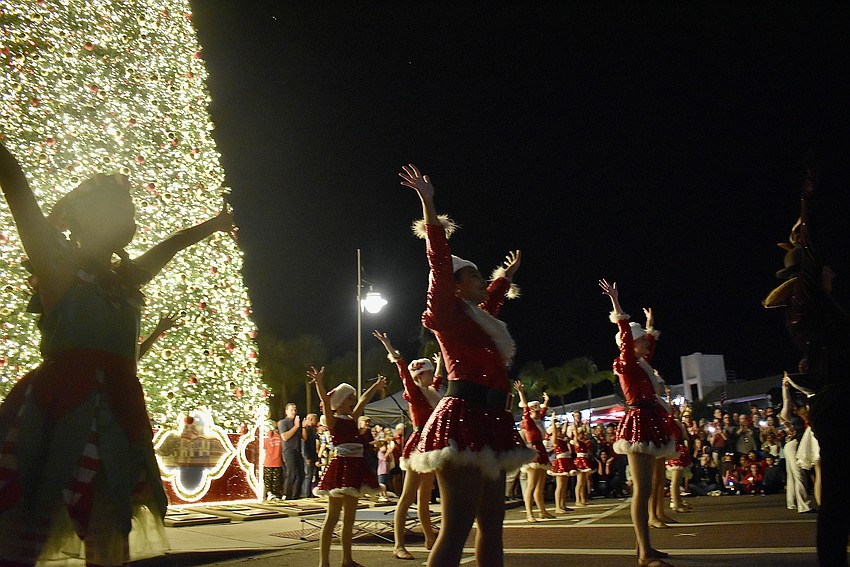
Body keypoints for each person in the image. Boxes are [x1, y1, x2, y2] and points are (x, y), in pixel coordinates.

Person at [0, 139, 234, 565]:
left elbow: (174, 244)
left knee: (110, 528)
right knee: (26, 516)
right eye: (120, 208)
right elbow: (14, 183)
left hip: (119, 413)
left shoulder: (126, 280)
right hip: (58, 407)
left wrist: (213, 226)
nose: (131, 216)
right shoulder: (57, 264)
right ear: (86, 218)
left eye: (130, 208)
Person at [399, 164, 534, 567]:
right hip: (462, 417)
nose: (480, 280)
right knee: (456, 527)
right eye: (473, 275)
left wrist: (504, 276)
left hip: (493, 418)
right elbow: (439, 264)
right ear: (455, 284)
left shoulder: (479, 317)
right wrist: (428, 203)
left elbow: (491, 301)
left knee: (493, 526)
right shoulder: (447, 313)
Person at [599, 279, 677, 567]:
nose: (646, 341)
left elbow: (651, 343)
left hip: (649, 420)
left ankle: (645, 547)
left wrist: (649, 323)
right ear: (630, 344)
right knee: (642, 490)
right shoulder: (627, 364)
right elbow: (623, 331)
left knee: (649, 487)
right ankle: (644, 551)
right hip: (638, 422)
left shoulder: (641, 364)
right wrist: (616, 303)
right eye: (641, 339)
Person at [372, 330, 441, 560]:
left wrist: (439, 365)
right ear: (419, 376)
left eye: (432, 372)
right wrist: (388, 345)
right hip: (418, 443)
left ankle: (429, 536)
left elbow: (438, 382)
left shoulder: (432, 392)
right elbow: (402, 368)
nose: (432, 375)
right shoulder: (414, 391)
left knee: (424, 497)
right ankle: (398, 544)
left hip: (433, 445)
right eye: (428, 372)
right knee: (407, 495)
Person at [309, 366, 386, 567]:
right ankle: (323, 563)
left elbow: (364, 400)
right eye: (350, 398)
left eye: (352, 398)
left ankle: (347, 559)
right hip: (341, 467)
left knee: (350, 518)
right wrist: (319, 383)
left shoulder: (352, 418)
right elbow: (326, 401)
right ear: (341, 402)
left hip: (355, 468)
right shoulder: (333, 420)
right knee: (332, 516)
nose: (353, 401)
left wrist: (375, 387)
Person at [515, 381, 553, 522]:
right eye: (534, 412)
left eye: (538, 411)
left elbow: (543, 411)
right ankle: (529, 513)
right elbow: (525, 409)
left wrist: (546, 401)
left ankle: (542, 511)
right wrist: (521, 393)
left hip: (542, 452)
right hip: (533, 453)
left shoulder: (538, 421)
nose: (537, 413)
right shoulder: (529, 422)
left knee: (540, 485)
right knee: (531, 485)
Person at [278, 402, 304, 500]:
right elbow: (284, 437)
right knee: (291, 473)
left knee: (300, 474)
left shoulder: (296, 423)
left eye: (295, 410)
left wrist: (303, 427)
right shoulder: (283, 423)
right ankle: (287, 495)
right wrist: (296, 427)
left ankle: (295, 495)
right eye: (291, 410)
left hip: (298, 450)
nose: (294, 412)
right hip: (289, 450)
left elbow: (303, 437)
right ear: (286, 412)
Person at [302, 413, 320, 498]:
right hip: (308, 456)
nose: (316, 421)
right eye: (315, 419)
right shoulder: (306, 430)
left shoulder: (313, 430)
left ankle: (311, 493)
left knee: (312, 475)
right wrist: (306, 457)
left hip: (313, 455)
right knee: (308, 476)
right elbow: (304, 444)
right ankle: (306, 494)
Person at [263, 427, 284, 500]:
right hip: (277, 462)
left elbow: (264, 449)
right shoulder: (280, 438)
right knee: (276, 480)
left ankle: (269, 494)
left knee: (267, 480)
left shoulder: (266, 438)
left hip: (268, 462)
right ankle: (275, 494)